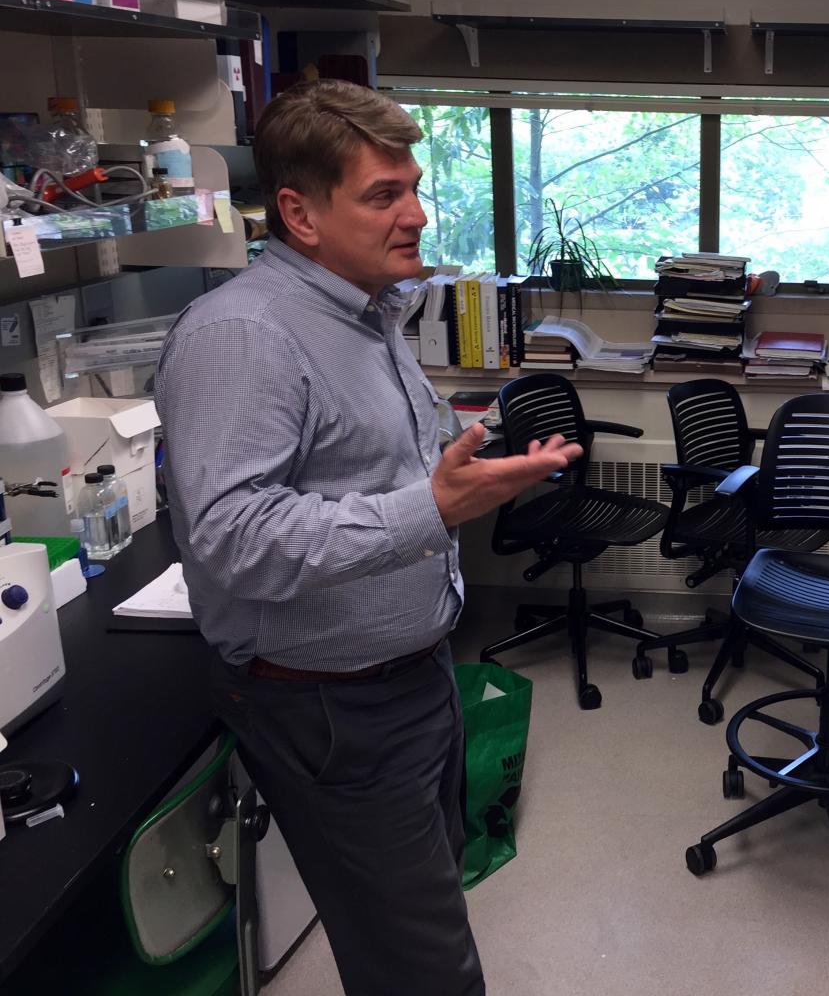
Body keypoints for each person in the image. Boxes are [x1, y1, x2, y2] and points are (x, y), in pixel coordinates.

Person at [155, 80, 582, 996]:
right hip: (330, 706)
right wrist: (432, 507)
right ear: (299, 213)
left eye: (414, 188)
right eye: (383, 196)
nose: (417, 214)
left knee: (429, 916)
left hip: (412, 673)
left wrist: (465, 471)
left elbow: (373, 469)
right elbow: (233, 539)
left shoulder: (365, 309)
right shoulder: (244, 335)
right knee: (420, 969)